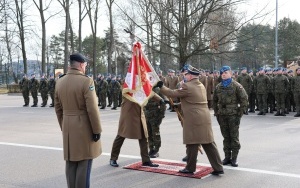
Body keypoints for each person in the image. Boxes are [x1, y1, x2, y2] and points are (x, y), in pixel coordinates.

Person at [156, 65, 224, 175]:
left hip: (194, 118)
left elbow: (172, 93)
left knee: (192, 142)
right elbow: (193, 100)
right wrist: (177, 105)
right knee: (208, 143)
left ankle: (190, 168)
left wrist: (162, 87)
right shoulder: (200, 85)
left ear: (191, 76)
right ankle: (218, 167)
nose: (184, 75)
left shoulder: (187, 86)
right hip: (204, 116)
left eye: (186, 74)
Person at [54, 53, 102, 188]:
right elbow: (92, 108)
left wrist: (64, 126)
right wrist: (96, 129)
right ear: (81, 65)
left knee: (71, 163)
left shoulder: (60, 81)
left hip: (68, 127)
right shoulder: (86, 81)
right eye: (85, 65)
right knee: (84, 163)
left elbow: (58, 108)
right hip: (84, 127)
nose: (85, 67)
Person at [109, 95, 163, 168]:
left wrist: (159, 99)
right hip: (129, 110)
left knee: (144, 136)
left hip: (139, 111)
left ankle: (146, 160)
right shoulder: (129, 84)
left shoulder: (142, 84)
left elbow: (148, 89)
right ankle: (113, 158)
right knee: (121, 135)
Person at [213, 66, 248, 167]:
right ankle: (227, 157)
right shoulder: (218, 86)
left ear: (231, 74)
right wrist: (217, 113)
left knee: (234, 137)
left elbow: (244, 100)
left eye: (226, 73)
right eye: (222, 73)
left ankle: (234, 158)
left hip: (233, 115)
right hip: (222, 115)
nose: (223, 74)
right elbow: (214, 101)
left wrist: (239, 114)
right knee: (226, 137)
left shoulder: (237, 86)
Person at [144, 87, 166, 158]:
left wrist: (161, 115)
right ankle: (151, 149)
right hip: (147, 115)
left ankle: (156, 150)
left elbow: (163, 102)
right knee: (149, 133)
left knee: (155, 133)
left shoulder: (158, 89)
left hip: (155, 115)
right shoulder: (145, 88)